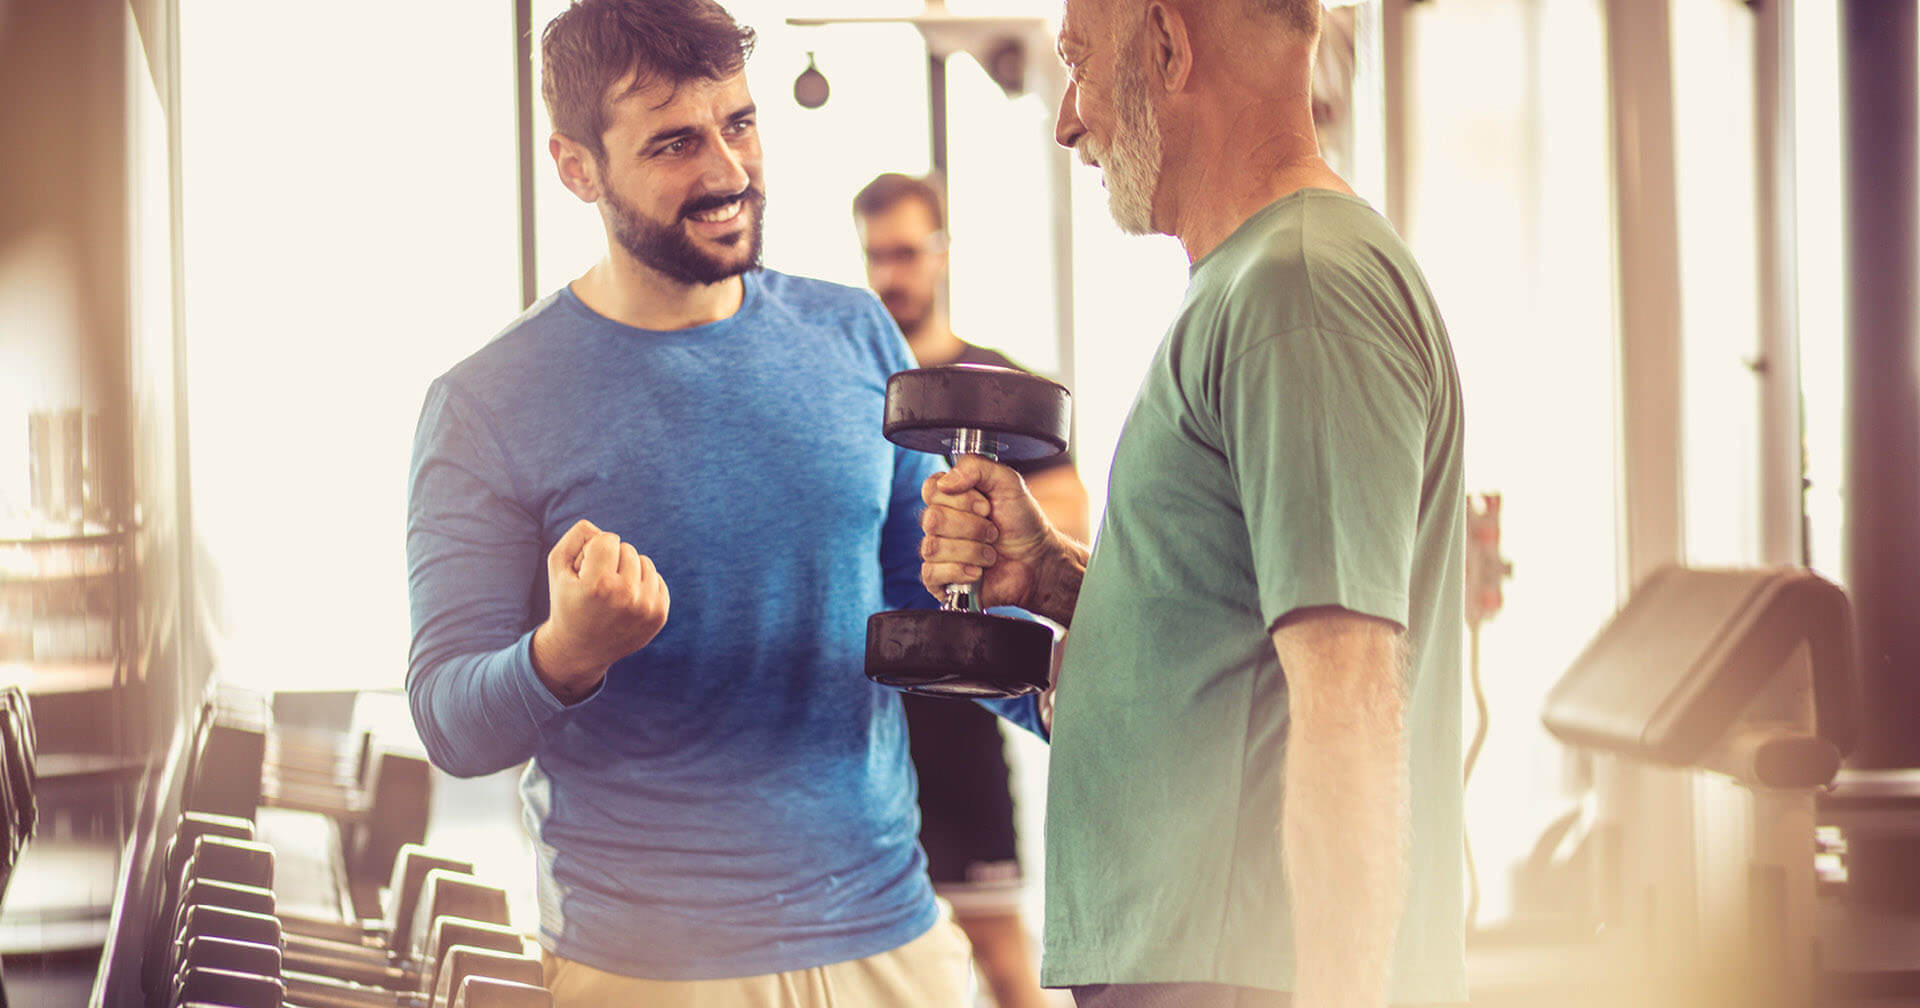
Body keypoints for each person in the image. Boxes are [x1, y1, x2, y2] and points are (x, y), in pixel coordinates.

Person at [404, 2, 1042, 1004]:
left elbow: (932, 611)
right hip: (651, 966)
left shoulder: (855, 336)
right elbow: (449, 719)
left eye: (739, 123)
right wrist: (565, 653)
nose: (727, 170)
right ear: (577, 167)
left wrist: (1077, 688)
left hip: (892, 939)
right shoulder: (486, 403)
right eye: (674, 142)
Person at [917, 1, 1468, 1006]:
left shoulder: (1300, 291)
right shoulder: (1251, 283)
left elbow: (1346, 697)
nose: (1068, 119)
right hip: (1198, 967)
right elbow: (1230, 632)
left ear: (1167, 46)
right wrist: (1054, 575)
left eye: (1079, 64)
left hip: (1240, 979)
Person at [852, 172, 1086, 1008]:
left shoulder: (998, 381)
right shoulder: (862, 394)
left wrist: (980, 523)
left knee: (995, 942)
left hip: (971, 710)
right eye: (877, 256)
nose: (892, 276)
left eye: (908, 253)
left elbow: (1066, 523)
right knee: (886, 954)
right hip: (878, 717)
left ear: (941, 255)